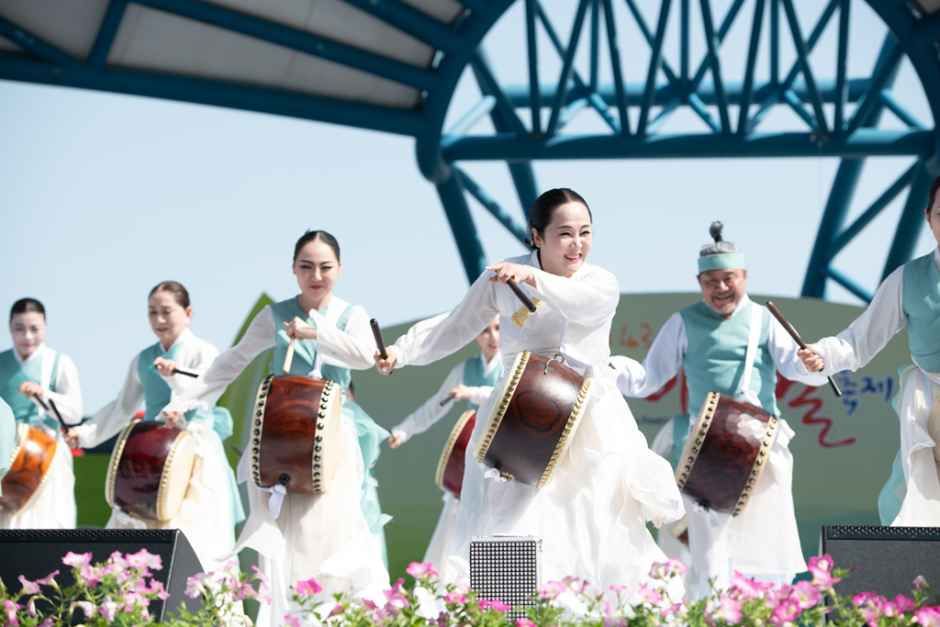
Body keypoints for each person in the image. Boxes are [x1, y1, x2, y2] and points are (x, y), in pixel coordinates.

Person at [377, 188, 684, 590]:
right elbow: (456, 324)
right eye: (565, 234)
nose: (578, 245)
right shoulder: (503, 279)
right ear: (537, 236)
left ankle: (602, 613)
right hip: (521, 417)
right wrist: (400, 352)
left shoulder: (600, 283)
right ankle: (506, 609)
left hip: (590, 418)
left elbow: (579, 303)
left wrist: (532, 277)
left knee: (595, 520)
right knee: (507, 519)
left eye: (585, 232)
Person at [167, 230, 389, 625]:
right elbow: (232, 362)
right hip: (279, 440)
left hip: (333, 439)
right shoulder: (276, 316)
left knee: (328, 534)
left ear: (339, 269)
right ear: (293, 270)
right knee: (281, 537)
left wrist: (316, 332)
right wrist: (186, 401)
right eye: (306, 267)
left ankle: (329, 618)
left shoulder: (350, 314)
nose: (316, 275)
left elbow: (365, 357)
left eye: (325, 267)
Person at [610, 222, 827, 598]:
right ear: (699, 282)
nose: (721, 288)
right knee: (705, 541)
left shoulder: (764, 319)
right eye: (711, 281)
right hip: (704, 445)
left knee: (764, 534)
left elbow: (795, 366)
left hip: (759, 443)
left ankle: (764, 613)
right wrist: (614, 371)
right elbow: (649, 379)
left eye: (729, 278)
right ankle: (709, 615)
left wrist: (813, 362)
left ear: (744, 276)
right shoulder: (683, 321)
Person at [67, 281, 243, 572]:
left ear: (188, 312)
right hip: (150, 458)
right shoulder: (143, 359)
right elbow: (122, 407)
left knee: (199, 535)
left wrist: (176, 382)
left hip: (195, 453)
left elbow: (206, 391)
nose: (159, 320)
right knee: (136, 532)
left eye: (167, 311)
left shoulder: (204, 351)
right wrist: (84, 433)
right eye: (152, 313)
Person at [800, 175, 940, 526]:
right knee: (914, 498)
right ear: (928, 217)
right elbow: (858, 341)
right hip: (931, 400)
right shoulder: (908, 278)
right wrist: (823, 355)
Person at [387, 316, 502, 574]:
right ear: (475, 335)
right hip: (471, 451)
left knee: (496, 519)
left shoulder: (512, 363)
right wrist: (404, 430)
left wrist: (473, 393)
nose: (492, 337)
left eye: (498, 329)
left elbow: (507, 397)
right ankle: (452, 590)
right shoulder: (465, 369)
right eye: (484, 330)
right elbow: (436, 405)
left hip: (502, 452)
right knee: (457, 516)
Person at [0, 298, 83, 528]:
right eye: (19, 329)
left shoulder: (59, 363)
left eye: (34, 329)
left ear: (45, 327)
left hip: (48, 456)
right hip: (9, 458)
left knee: (51, 520)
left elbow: (74, 413)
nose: (27, 336)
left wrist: (44, 395)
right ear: (10, 328)